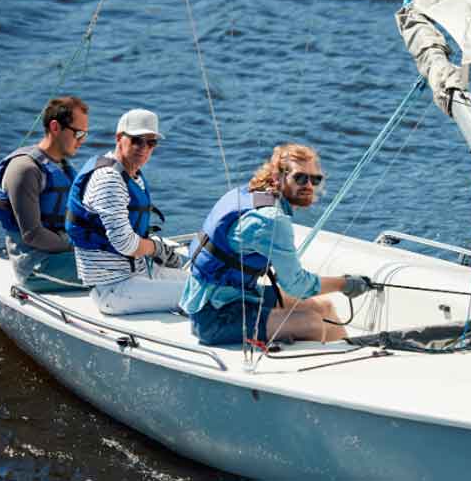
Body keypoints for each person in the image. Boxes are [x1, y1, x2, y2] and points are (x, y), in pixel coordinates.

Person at [181, 143, 373, 346]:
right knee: (313, 324)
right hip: (214, 318)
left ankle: (345, 355)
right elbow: (296, 285)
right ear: (277, 177)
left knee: (324, 307)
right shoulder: (271, 220)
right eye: (300, 178)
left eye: (315, 179)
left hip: (234, 296)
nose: (308, 185)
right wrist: (345, 284)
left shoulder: (249, 194)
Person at [66, 108, 185, 315]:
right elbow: (125, 243)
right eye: (137, 140)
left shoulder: (133, 175)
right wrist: (158, 249)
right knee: (199, 294)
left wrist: (158, 250)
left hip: (136, 276)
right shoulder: (109, 179)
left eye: (151, 142)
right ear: (119, 138)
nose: (144, 148)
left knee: (206, 284)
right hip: (113, 288)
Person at [0, 96, 89, 292]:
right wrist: (78, 246)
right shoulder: (25, 169)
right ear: (55, 127)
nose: (82, 141)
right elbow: (32, 234)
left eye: (85, 134)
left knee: (133, 259)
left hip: (63, 256)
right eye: (78, 133)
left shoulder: (61, 166)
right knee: (120, 269)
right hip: (37, 266)